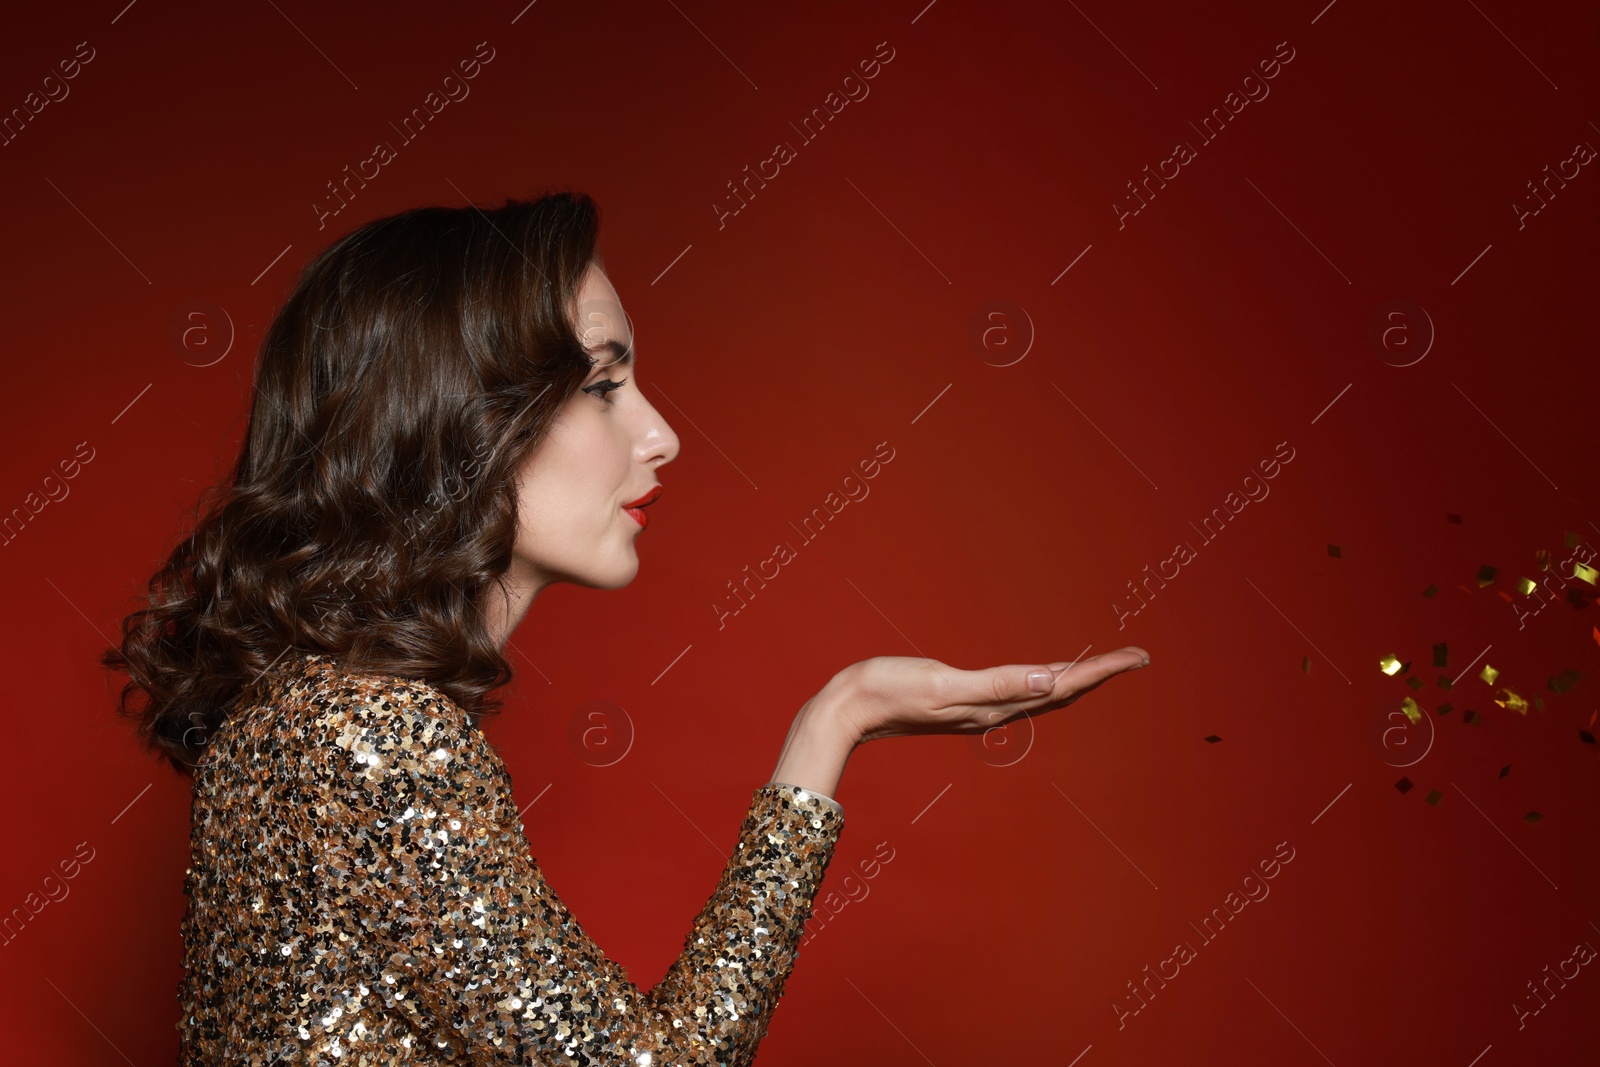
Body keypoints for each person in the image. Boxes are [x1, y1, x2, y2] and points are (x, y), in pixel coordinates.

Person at [101, 191, 1149, 1065]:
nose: (662, 434)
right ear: (455, 418)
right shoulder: (372, 739)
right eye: (603, 386)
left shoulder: (296, 715)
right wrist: (838, 721)